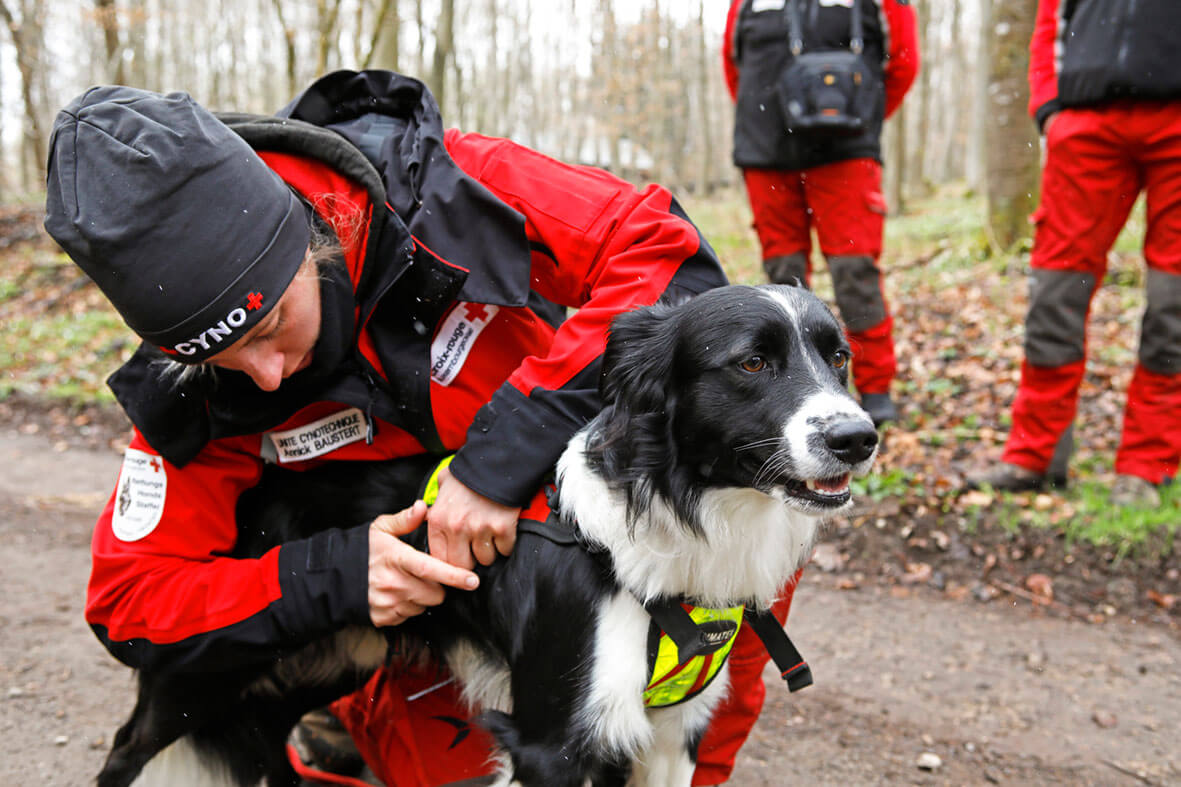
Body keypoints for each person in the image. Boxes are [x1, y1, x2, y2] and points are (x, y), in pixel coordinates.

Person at [44, 70, 801, 786]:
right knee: (457, 767)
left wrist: (496, 463)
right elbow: (132, 603)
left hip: (569, 513)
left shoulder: (449, 188)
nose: (266, 374)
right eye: (220, 356)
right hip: (428, 599)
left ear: (312, 239)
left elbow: (669, 259)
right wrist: (333, 578)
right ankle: (344, 714)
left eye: (271, 324)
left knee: (738, 529)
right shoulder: (185, 387)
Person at [966, 0, 1181, 506]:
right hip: (1085, 123)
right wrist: (1050, 109)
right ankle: (1035, 453)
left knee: (1174, 303)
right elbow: (1049, 23)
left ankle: (1147, 464)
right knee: (1056, 291)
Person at [723, 0, 918, 427]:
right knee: (783, 273)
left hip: (845, 147)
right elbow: (735, 67)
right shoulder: (744, 5)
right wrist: (782, 113)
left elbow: (902, 65)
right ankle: (788, 385)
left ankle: (875, 386)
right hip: (765, 149)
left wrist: (853, 114)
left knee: (855, 271)